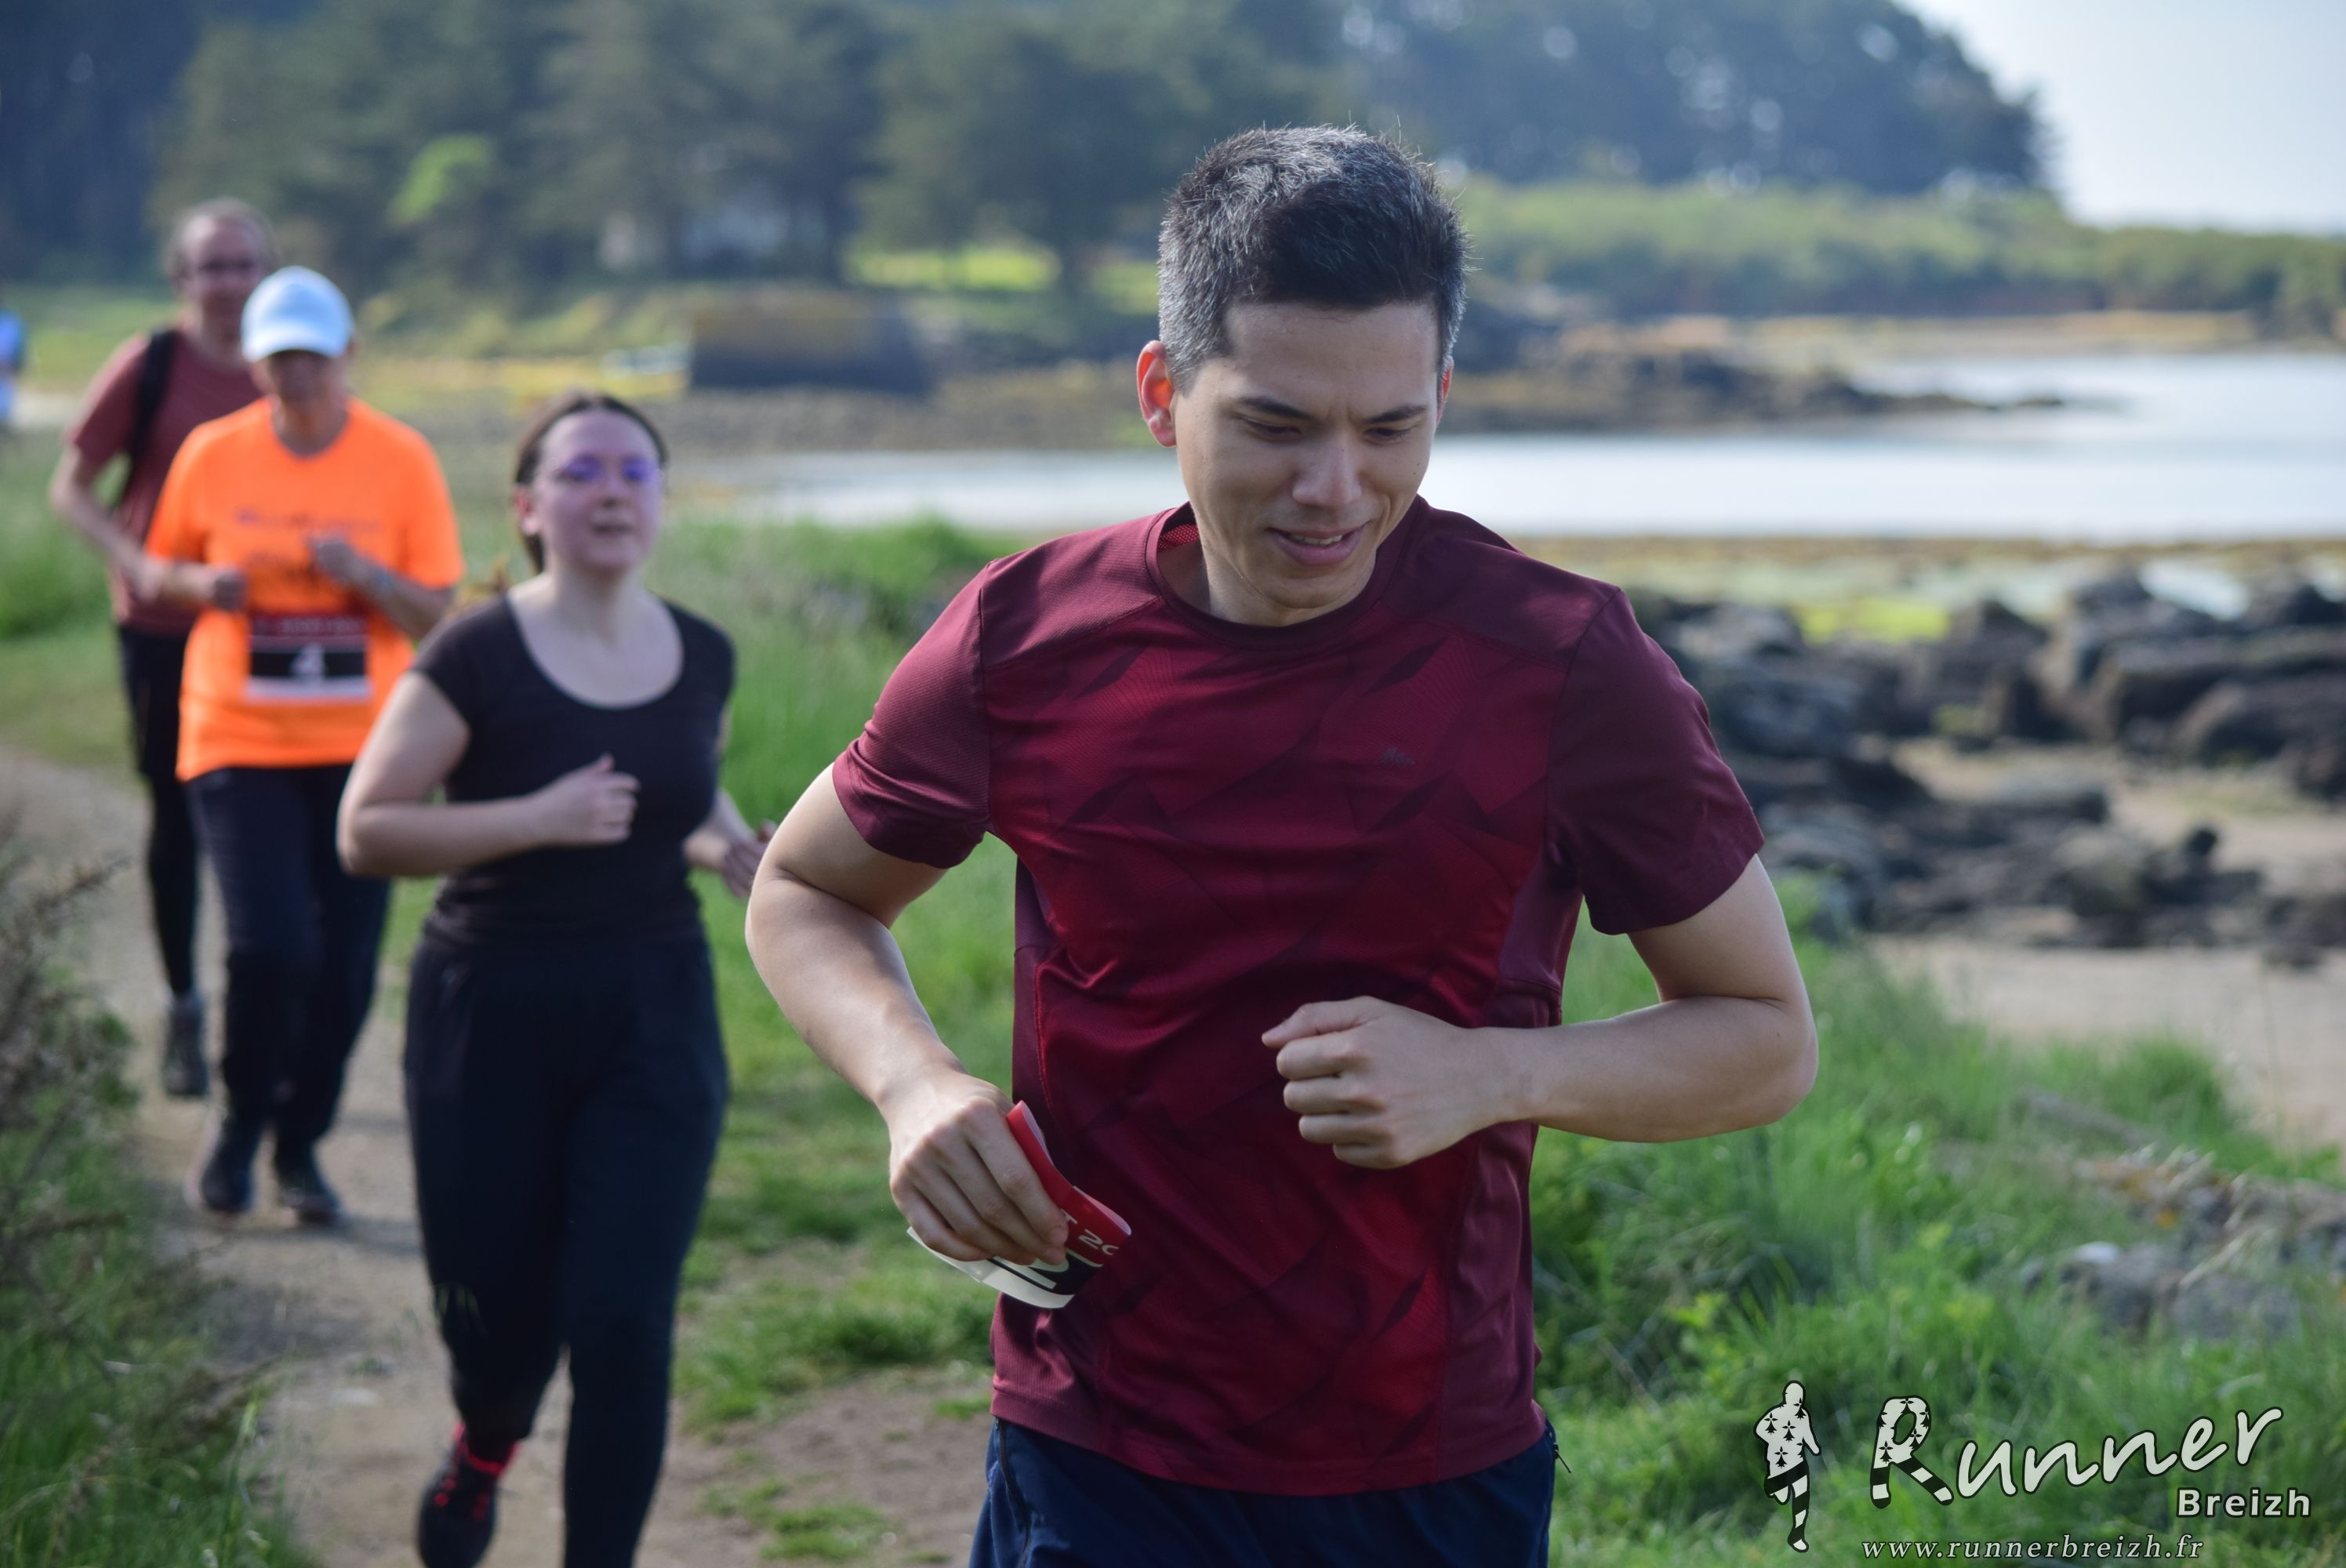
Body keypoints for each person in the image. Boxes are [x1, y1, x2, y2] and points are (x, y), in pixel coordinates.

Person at [744, 127, 1818, 1567]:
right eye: (1276, 425)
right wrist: (912, 1084)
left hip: (1426, 1468)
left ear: (1441, 396)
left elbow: (1765, 1038)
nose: (1335, 488)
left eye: (1389, 430)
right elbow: (808, 888)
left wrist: (1493, 1074)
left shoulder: (1565, 661)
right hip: (1094, 1447)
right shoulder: (1022, 637)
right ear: (1160, 393)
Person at [336, 390, 769, 1568]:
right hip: (492, 1011)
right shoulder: (472, 652)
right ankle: (485, 1438)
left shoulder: (702, 653)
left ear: (663, 498)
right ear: (528, 508)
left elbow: (680, 790)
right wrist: (534, 817)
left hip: (653, 1009)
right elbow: (366, 829)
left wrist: (726, 845)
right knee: (499, 1316)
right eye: (581, 472)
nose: (612, 490)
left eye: (635, 469)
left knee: (623, 1320)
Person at [143, 264, 463, 1225]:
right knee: (272, 945)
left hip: (366, 745)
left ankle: (300, 1143)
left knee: (346, 964)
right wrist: (204, 587)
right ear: (255, 365)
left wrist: (365, 575)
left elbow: (438, 615)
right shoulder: (213, 454)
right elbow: (161, 567)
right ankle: (241, 1118)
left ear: (348, 354)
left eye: (315, 358)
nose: (299, 376)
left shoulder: (400, 458)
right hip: (237, 733)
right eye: (280, 359)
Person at [49, 200, 272, 1097]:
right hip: (164, 631)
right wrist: (139, 561)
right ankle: (184, 1005)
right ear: (180, 278)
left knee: (269, 822)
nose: (229, 283)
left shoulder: (290, 367)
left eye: (243, 264)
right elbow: (72, 488)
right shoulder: (149, 366)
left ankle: (270, 1016)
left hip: (273, 637)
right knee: (178, 821)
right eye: (212, 266)